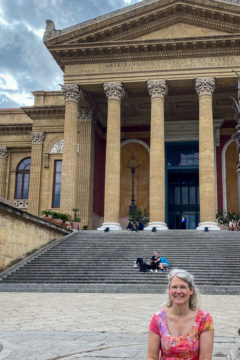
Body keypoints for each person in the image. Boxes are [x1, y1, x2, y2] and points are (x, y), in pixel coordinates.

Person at [146, 268, 214, 360]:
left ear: (191, 290)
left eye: (183, 287)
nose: (178, 291)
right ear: (169, 290)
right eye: (174, 287)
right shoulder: (158, 319)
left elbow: (205, 358)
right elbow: (152, 357)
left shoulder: (204, 319)